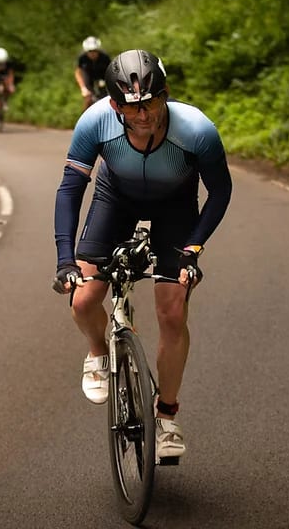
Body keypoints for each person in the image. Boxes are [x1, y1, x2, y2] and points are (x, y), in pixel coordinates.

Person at [52, 49, 232, 461]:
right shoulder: (95, 121)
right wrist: (65, 258)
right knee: (82, 299)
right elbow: (70, 190)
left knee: (172, 312)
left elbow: (220, 191)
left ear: (164, 95)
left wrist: (193, 248)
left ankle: (166, 416)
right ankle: (98, 352)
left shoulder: (197, 129)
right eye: (132, 107)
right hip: (115, 200)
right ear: (115, 105)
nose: (144, 115)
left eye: (151, 103)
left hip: (175, 207)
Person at [74, 36, 111, 111]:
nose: (92, 53)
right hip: (88, 75)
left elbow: (111, 71)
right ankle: (85, 116)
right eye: (90, 51)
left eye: (95, 51)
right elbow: (78, 72)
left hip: (103, 76)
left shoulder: (105, 56)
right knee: (88, 98)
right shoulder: (82, 58)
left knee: (106, 98)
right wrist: (83, 88)